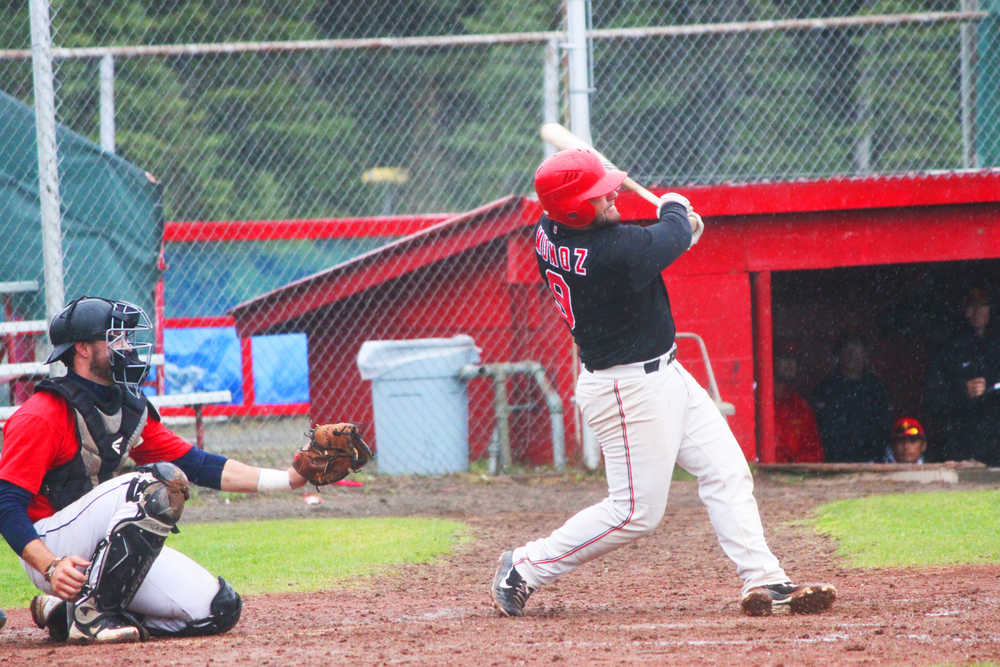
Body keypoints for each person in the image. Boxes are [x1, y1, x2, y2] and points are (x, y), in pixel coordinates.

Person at [490, 148, 836, 619]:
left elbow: (659, 243)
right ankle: (524, 568)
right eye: (599, 195)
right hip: (626, 389)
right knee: (635, 513)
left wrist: (679, 230)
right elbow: (665, 236)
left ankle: (765, 579)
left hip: (664, 374)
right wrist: (677, 210)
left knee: (726, 470)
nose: (612, 197)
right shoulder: (612, 253)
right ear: (573, 209)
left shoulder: (549, 230)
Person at [0, 296, 312, 643]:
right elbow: (6, 504)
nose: (128, 347)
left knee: (219, 608)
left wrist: (289, 478)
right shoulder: (42, 413)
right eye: (116, 338)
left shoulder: (128, 406)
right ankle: (93, 616)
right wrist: (50, 564)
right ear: (83, 349)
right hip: (54, 547)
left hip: (104, 551)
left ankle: (70, 612)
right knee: (156, 483)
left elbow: (198, 465)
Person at [922, 288, 1000, 465]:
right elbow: (932, 399)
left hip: (995, 436)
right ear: (966, 311)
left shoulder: (996, 345)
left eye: (984, 305)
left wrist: (991, 389)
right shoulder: (949, 349)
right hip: (962, 439)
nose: (979, 311)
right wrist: (962, 391)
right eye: (974, 306)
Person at [810, 333, 890, 463]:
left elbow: (883, 425)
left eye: (858, 353)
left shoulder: (875, 388)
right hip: (836, 459)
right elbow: (822, 426)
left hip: (871, 459)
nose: (854, 357)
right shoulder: (827, 388)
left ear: (865, 357)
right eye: (849, 352)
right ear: (839, 355)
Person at [773, 340, 824, 463]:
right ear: (772, 361)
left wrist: (794, 465)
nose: (790, 363)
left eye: (794, 358)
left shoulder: (799, 406)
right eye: (784, 357)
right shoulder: (759, 404)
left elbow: (815, 452)